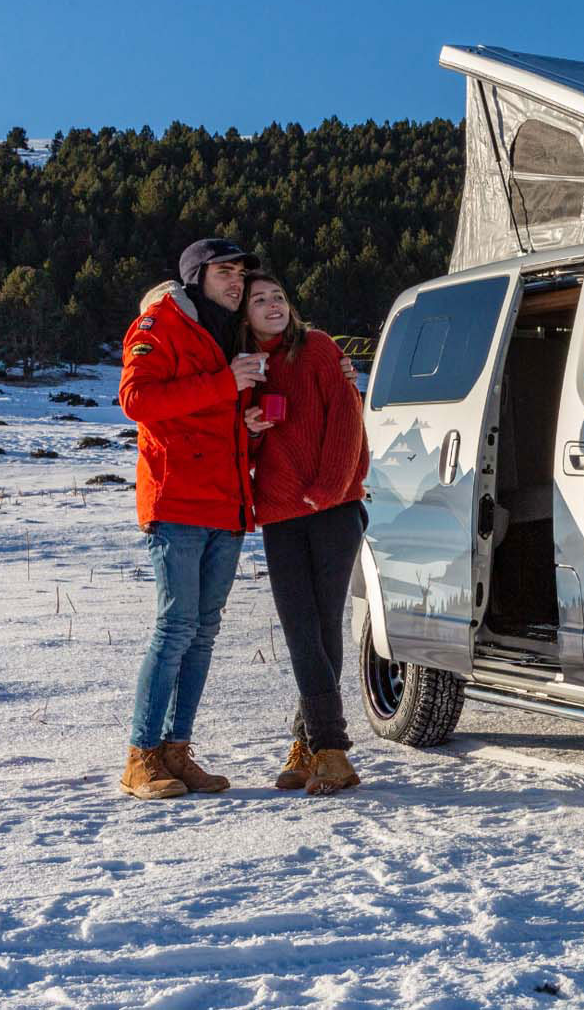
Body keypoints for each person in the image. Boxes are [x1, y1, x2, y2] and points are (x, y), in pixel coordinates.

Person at [116, 238, 266, 800]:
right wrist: (224, 385)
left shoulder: (231, 334)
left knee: (202, 633)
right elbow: (136, 400)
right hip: (177, 502)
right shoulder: (160, 324)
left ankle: (177, 753)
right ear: (197, 275)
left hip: (226, 505)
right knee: (176, 628)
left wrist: (246, 427)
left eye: (241, 273)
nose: (236, 281)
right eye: (224, 271)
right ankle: (141, 755)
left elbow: (212, 419)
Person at [237, 272, 371, 796]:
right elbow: (237, 452)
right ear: (244, 315)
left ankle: (329, 748)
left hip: (332, 509)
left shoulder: (317, 349)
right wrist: (248, 431)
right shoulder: (247, 370)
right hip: (279, 513)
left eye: (279, 298)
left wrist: (326, 489)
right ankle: (313, 742)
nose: (272, 305)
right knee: (302, 631)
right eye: (259, 300)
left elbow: (347, 419)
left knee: (320, 627)